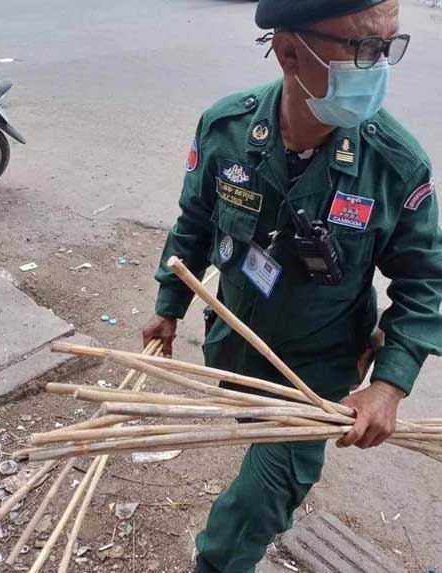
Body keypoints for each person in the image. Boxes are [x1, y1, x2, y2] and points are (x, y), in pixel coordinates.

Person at [142, 1, 442, 571]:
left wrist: (390, 385)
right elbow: (196, 222)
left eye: (389, 46)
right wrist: (169, 305)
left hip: (318, 373)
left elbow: (424, 280)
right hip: (236, 345)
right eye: (362, 48)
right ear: (288, 51)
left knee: (254, 506)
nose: (379, 66)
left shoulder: (395, 163)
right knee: (256, 436)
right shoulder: (227, 128)